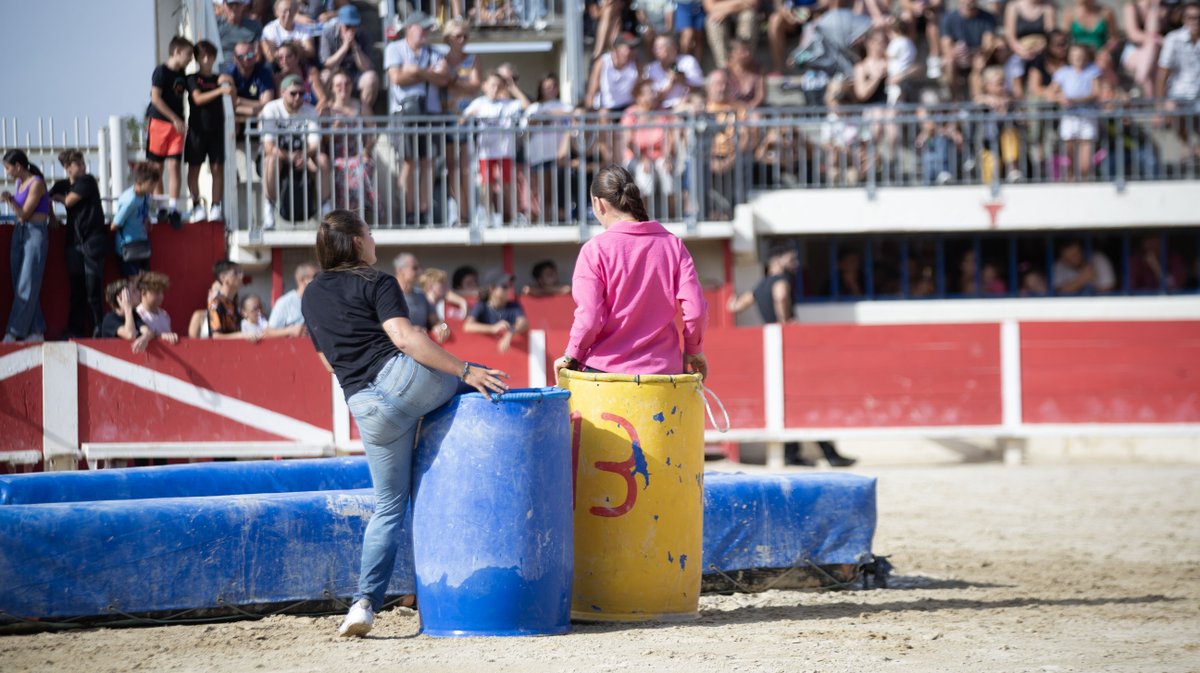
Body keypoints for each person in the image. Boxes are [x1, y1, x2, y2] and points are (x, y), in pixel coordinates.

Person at [300, 210, 507, 638]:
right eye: (370, 233)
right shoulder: (378, 281)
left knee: (389, 506)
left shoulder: (310, 295)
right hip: (404, 379)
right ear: (357, 243)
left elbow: (326, 361)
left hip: (365, 407)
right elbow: (403, 339)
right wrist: (463, 367)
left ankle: (363, 604)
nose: (374, 240)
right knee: (481, 387)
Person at [553, 165, 708, 379]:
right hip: (664, 375)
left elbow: (589, 319)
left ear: (598, 203)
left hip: (605, 375)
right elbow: (696, 310)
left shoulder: (594, 250)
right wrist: (694, 350)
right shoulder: (673, 245)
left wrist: (572, 356)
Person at [727, 245, 857, 467]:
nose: (795, 263)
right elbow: (781, 294)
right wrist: (785, 321)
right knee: (805, 400)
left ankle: (793, 453)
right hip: (788, 349)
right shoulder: (782, 279)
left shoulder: (758, 287)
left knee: (787, 403)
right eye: (791, 258)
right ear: (776, 259)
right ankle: (829, 454)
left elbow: (735, 306)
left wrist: (729, 297)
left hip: (772, 353)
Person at [384, 11, 451, 224]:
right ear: (409, 28)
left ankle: (423, 212)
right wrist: (427, 72)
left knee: (428, 163)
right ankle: (408, 212)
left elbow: (444, 79)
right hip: (405, 114)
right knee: (409, 163)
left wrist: (416, 71)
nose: (427, 32)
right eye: (422, 28)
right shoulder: (394, 49)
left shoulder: (435, 51)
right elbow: (396, 78)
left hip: (430, 114)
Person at [260, 74, 333, 228]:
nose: (298, 97)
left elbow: (316, 142)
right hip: (279, 158)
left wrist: (303, 155)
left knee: (323, 160)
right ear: (283, 93)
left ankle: (325, 209)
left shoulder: (310, 110)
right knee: (271, 160)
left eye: (302, 93)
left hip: (303, 156)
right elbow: (268, 147)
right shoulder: (271, 109)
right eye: (293, 93)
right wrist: (290, 157)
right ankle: (269, 209)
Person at [50, 150, 107, 338]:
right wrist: (51, 217)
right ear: (67, 168)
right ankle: (76, 330)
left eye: (83, 163)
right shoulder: (62, 185)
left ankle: (98, 329)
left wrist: (60, 198)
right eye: (78, 164)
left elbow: (68, 201)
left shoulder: (87, 181)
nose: (83, 167)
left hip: (92, 242)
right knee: (77, 291)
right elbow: (45, 196)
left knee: (93, 290)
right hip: (73, 244)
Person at [463, 71, 530, 225]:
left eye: (498, 86)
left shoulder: (507, 104)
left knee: (507, 184)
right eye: (492, 85)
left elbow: (527, 106)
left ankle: (512, 216)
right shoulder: (479, 103)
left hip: (505, 152)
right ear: (484, 86)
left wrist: (513, 88)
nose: (495, 89)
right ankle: (487, 218)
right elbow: (463, 118)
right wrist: (469, 115)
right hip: (486, 153)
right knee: (487, 185)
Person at [145, 35, 194, 230]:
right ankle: (160, 207)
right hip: (159, 123)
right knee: (156, 169)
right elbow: (155, 98)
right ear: (177, 52)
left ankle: (173, 208)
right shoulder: (161, 71)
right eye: (188, 54)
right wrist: (174, 118)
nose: (191, 58)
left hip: (177, 128)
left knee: (175, 166)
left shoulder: (182, 73)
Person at [1, 150, 50, 343]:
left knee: (27, 282)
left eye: (8, 168)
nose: (7, 172)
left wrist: (10, 201)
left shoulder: (36, 183)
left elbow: (24, 214)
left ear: (18, 166)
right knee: (19, 281)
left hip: (35, 233)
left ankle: (13, 332)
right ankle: (36, 330)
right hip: (21, 232)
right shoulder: (20, 183)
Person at [186, 40, 235, 223]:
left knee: (217, 168)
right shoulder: (191, 78)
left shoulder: (220, 78)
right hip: (196, 131)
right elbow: (198, 99)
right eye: (203, 56)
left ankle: (215, 206)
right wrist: (220, 90)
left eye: (210, 56)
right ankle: (197, 205)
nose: (207, 59)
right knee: (194, 169)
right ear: (197, 58)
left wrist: (228, 83)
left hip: (216, 130)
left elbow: (232, 96)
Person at [1049, 44, 1103, 181]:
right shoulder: (1063, 72)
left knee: (1085, 163)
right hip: (1069, 116)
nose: (1077, 58)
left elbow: (1096, 92)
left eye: (1080, 55)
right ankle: (1071, 179)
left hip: (1087, 116)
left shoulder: (1093, 70)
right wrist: (1060, 98)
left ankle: (1085, 180)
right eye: (1074, 55)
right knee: (1068, 153)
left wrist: (1075, 100)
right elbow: (1050, 93)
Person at [1155, 1, 1200, 161]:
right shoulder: (1173, 39)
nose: (1195, 21)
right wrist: (1160, 107)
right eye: (1191, 17)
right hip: (1180, 93)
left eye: (1198, 17)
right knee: (1172, 107)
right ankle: (1188, 146)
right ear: (1184, 19)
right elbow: (1162, 73)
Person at [319, 4, 380, 113]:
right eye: (347, 26)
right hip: (335, 73)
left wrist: (355, 47)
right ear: (340, 23)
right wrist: (345, 47)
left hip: (355, 74)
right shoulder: (328, 33)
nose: (351, 30)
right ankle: (331, 113)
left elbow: (366, 67)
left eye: (354, 25)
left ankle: (361, 116)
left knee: (371, 78)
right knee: (324, 76)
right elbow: (327, 64)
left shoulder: (364, 34)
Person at [939, 0, 997, 98]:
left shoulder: (987, 18)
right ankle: (955, 102)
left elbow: (988, 44)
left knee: (979, 63)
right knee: (949, 62)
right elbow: (946, 47)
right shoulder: (948, 18)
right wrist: (957, 52)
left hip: (977, 55)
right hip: (957, 58)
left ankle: (976, 101)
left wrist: (973, 53)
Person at [112, 162, 160, 276]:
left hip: (142, 244)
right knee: (134, 282)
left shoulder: (146, 195)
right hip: (129, 247)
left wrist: (146, 219)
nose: (154, 186)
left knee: (146, 281)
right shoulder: (130, 201)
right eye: (151, 183)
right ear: (140, 182)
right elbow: (114, 225)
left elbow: (144, 212)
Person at [464, 270, 530, 353]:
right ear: (492, 289)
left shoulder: (514, 306)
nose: (509, 289)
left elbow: (524, 323)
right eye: (504, 286)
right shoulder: (481, 305)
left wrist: (510, 333)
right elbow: (468, 326)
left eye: (510, 286)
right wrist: (493, 328)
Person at [646, 34, 706, 109]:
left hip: (685, 105)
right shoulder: (651, 68)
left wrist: (682, 80)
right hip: (660, 108)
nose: (656, 51)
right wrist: (670, 84)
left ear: (673, 47)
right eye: (655, 47)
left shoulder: (688, 61)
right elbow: (652, 97)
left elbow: (699, 88)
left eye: (660, 47)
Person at [100, 278, 156, 354]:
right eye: (134, 291)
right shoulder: (109, 319)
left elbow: (149, 331)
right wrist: (127, 308)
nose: (139, 293)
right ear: (121, 297)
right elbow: (130, 335)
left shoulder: (134, 314)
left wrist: (145, 338)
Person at [586, 37, 641, 112]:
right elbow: (592, 91)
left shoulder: (636, 64)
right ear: (616, 50)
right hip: (606, 106)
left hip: (628, 106)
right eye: (628, 48)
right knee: (604, 114)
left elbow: (640, 89)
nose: (631, 51)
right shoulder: (602, 62)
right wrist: (590, 112)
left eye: (633, 48)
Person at [227, 41, 276, 119]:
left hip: (258, 116)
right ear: (234, 58)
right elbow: (227, 104)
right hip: (232, 117)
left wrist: (240, 101)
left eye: (250, 55)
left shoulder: (264, 73)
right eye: (241, 56)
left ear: (255, 56)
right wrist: (252, 109)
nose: (246, 59)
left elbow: (267, 104)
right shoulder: (228, 73)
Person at [703, 0, 759, 68]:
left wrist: (726, 11)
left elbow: (752, 2)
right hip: (725, 16)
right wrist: (740, 3)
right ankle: (724, 68)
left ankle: (745, 64)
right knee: (713, 22)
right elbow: (710, 7)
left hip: (742, 13)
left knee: (748, 16)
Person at [269, 261, 317, 329]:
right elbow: (269, 332)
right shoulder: (284, 302)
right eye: (315, 277)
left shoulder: (319, 301)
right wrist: (291, 331)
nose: (319, 280)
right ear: (302, 280)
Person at [136, 271, 179, 343]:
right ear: (143, 293)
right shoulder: (136, 315)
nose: (161, 296)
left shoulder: (165, 315)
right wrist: (161, 336)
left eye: (162, 292)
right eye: (157, 292)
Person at [217, 0, 264, 65]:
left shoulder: (255, 26)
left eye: (237, 4)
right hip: (221, 66)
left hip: (246, 66)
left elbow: (257, 55)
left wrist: (245, 60)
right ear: (224, 5)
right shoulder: (216, 24)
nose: (234, 8)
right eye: (230, 4)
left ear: (243, 5)